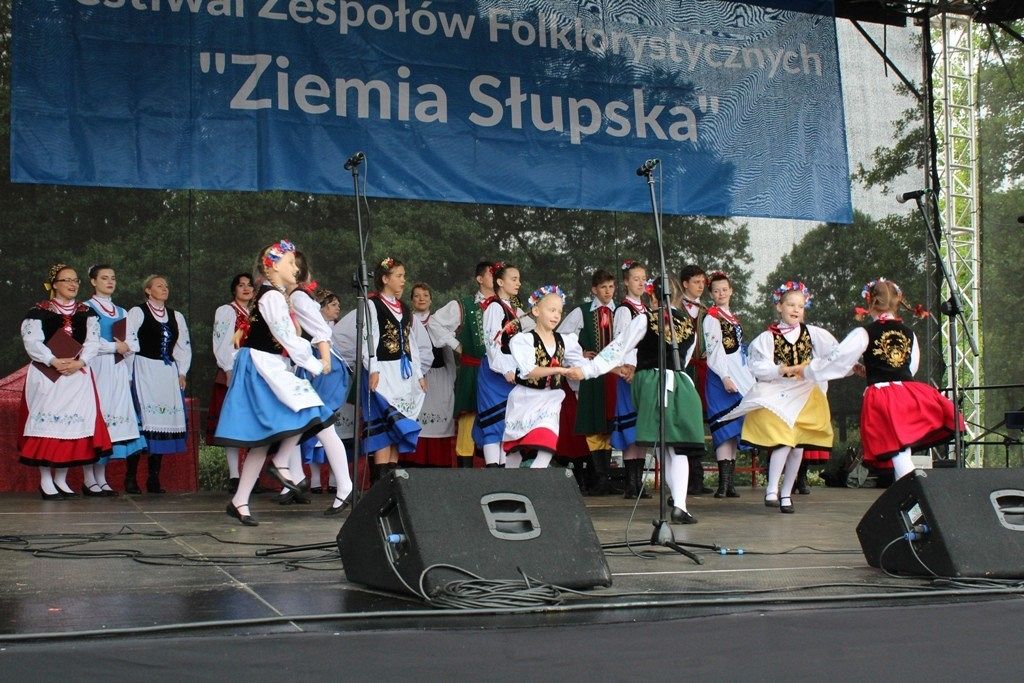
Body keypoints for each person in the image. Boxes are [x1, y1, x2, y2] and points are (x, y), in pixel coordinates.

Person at [215, 240, 333, 526]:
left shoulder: (276, 295)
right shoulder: (271, 297)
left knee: (274, 430)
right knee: (307, 406)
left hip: (270, 365)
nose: (296, 268)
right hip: (261, 366)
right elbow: (285, 337)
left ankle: (240, 500)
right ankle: (280, 461)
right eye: (290, 262)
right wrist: (316, 363)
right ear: (272, 266)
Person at [800, 278, 962, 481]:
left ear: (870, 302)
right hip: (910, 394)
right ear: (897, 302)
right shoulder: (909, 333)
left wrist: (807, 371)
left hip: (884, 398)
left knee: (899, 453)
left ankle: (916, 492)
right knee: (902, 451)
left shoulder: (864, 333)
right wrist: (873, 370)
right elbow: (909, 368)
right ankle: (910, 492)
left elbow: (837, 359)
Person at [723, 282, 838, 514]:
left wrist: (820, 367)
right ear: (779, 306)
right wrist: (780, 369)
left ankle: (786, 494)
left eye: (800, 306)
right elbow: (757, 366)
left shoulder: (813, 333)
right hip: (780, 394)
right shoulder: (768, 338)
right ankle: (772, 489)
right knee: (784, 441)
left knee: (797, 448)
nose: (796, 310)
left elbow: (835, 354)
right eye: (791, 305)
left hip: (805, 395)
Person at [614, 276, 706, 523]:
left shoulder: (645, 319)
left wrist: (591, 367)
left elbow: (619, 348)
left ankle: (678, 502)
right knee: (678, 446)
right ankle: (679, 504)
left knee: (665, 447)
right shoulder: (689, 325)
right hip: (680, 385)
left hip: (651, 383)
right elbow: (684, 360)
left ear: (653, 296)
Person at [20, 264, 112, 499]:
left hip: (76, 376)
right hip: (48, 375)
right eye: (66, 280)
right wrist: (53, 360)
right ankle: (45, 480)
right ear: (54, 285)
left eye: (75, 280)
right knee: (47, 426)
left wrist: (80, 363)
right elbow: (32, 341)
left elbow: (93, 342)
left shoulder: (86, 312)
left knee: (71, 428)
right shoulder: (39, 311)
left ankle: (61, 479)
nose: (72, 284)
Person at [502, 286, 620, 469]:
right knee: (515, 451)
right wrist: (560, 370)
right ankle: (510, 482)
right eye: (552, 310)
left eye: (559, 311)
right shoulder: (523, 340)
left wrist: (614, 368)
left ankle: (531, 482)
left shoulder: (565, 340)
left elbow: (583, 364)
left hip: (550, 400)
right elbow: (529, 370)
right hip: (525, 400)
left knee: (547, 446)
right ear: (536, 311)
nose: (556, 315)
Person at [288, 255, 354, 515]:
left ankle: (297, 478)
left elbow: (321, 331)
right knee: (303, 424)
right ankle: (295, 478)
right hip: (301, 367)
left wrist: (323, 360)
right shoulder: (286, 296)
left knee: (318, 424)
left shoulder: (298, 297)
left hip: (316, 369)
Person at [125, 275, 192, 494]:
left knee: (162, 421)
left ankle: (153, 478)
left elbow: (182, 346)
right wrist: (129, 374)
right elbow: (130, 343)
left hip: (166, 373)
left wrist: (181, 372)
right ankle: (131, 478)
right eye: (159, 285)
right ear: (147, 290)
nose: (164, 288)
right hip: (143, 369)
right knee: (143, 422)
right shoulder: (137, 312)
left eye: (166, 285)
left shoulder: (176, 316)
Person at [84, 264, 147, 495]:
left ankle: (101, 477)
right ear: (93, 281)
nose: (110, 282)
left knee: (112, 424)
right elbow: (87, 343)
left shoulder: (122, 311)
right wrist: (114, 346)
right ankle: (88, 478)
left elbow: (133, 343)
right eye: (104, 278)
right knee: (96, 419)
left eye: (113, 278)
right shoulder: (86, 309)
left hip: (118, 368)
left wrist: (127, 370)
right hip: (96, 367)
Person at [361, 257, 425, 482]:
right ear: (385, 279)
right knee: (384, 426)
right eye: (398, 276)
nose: (403, 280)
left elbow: (411, 343)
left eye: (403, 276)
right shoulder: (372, 304)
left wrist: (419, 374)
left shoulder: (405, 308)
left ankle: (391, 481)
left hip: (403, 373)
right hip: (383, 370)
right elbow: (369, 339)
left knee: (399, 426)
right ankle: (379, 482)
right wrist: (373, 369)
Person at [428, 261, 495, 468]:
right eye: (492, 273)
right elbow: (434, 322)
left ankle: (498, 468)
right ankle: (464, 470)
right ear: (479, 279)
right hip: (473, 368)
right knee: (469, 415)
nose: (496, 277)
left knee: (498, 416)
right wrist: (457, 346)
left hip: (498, 372)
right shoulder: (463, 305)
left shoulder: (508, 307)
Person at [558, 268, 619, 494]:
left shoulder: (620, 311)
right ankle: (600, 478)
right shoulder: (581, 312)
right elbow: (562, 338)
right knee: (594, 422)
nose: (608, 291)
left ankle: (605, 477)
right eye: (603, 287)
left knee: (609, 422)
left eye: (611, 287)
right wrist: (580, 354)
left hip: (613, 373)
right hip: (592, 373)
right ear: (594, 289)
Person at [474, 263, 533, 467]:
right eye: (513, 279)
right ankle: (494, 472)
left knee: (510, 424)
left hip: (511, 373)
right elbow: (492, 342)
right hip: (495, 374)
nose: (518, 283)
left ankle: (506, 473)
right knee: (494, 424)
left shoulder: (514, 309)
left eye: (519, 279)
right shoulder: (495, 307)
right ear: (500, 282)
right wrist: (505, 368)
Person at [703, 271, 755, 499]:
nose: (721, 293)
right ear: (711, 294)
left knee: (733, 431)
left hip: (737, 375)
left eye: (725, 289)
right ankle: (723, 485)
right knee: (724, 429)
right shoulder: (712, 317)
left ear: (731, 291)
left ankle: (729, 483)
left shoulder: (731, 317)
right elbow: (714, 351)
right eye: (716, 291)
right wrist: (724, 376)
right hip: (720, 377)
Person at [208, 272, 254, 494]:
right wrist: (227, 368)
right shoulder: (227, 311)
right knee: (233, 422)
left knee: (251, 423)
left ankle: (251, 476)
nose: (246, 288)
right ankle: (234, 476)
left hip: (254, 371)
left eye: (249, 285)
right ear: (234, 289)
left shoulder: (256, 312)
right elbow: (221, 341)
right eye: (241, 285)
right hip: (234, 369)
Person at [611, 260, 650, 498]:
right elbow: (621, 342)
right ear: (626, 282)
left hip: (643, 372)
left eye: (643, 279)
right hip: (629, 373)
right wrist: (628, 367)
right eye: (636, 279)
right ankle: (630, 484)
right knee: (630, 428)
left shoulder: (646, 309)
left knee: (641, 427)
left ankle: (638, 482)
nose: (641, 283)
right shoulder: (624, 310)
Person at [408, 282, 458, 467]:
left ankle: (438, 463)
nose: (421, 299)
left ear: (431, 299)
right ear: (411, 300)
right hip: (414, 378)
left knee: (440, 417)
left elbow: (448, 353)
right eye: (417, 296)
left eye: (425, 295)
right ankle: (414, 463)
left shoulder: (438, 323)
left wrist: (450, 379)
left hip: (439, 378)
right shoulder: (407, 321)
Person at [679, 264, 712, 495]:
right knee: (684, 421)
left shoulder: (708, 311)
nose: (701, 286)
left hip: (702, 370)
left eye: (703, 282)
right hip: (683, 370)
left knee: (698, 421)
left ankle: (697, 478)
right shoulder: (675, 308)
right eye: (696, 282)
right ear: (685, 284)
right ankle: (685, 478)